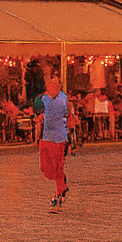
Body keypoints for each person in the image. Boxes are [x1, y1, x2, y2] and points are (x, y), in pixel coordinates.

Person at [36, 70, 73, 209]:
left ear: (59, 86)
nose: (50, 87)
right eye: (49, 84)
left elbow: (71, 119)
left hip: (59, 139)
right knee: (46, 168)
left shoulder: (64, 100)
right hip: (46, 138)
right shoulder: (43, 99)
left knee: (58, 168)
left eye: (54, 84)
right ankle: (62, 186)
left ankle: (60, 193)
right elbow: (39, 114)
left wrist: (70, 142)